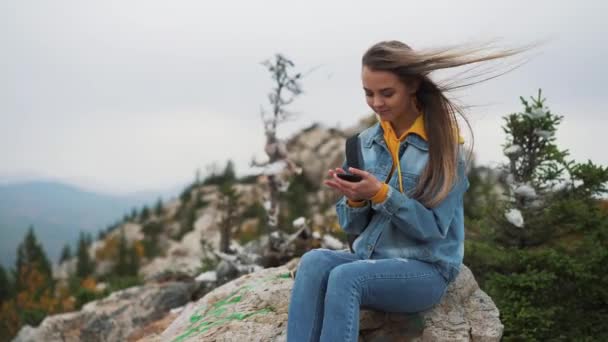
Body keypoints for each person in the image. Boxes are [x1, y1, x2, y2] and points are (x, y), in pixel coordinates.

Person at [286, 40, 528, 342]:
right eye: (368, 93)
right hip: (371, 259)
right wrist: (355, 199)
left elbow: (432, 229)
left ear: (412, 85)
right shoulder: (362, 144)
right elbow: (352, 227)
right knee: (313, 262)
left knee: (346, 277)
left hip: (425, 269)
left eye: (387, 93)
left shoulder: (443, 149)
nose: (377, 103)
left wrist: (382, 194)